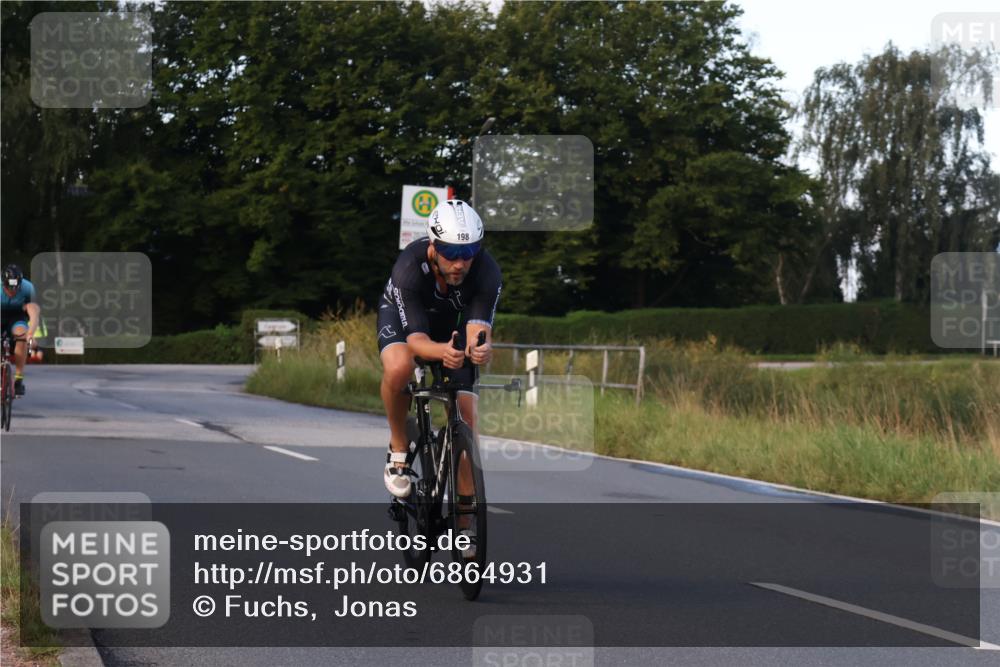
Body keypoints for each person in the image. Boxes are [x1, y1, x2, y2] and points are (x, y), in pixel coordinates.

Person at [377, 199, 502, 498]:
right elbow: (417, 341)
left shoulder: (487, 271)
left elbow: (478, 331)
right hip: (405, 319)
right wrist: (443, 352)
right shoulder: (409, 266)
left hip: (451, 328)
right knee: (400, 367)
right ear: (433, 245)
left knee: (468, 418)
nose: (459, 262)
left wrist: (480, 349)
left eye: (468, 252)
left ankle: (465, 526)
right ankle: (398, 449)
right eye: (450, 252)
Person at [1, 264, 41, 396]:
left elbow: (34, 312)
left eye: (15, 289)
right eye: (8, 288)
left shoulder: (28, 288)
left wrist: (30, 334)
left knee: (21, 336)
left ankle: (18, 379)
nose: (12, 292)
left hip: (17, 316)